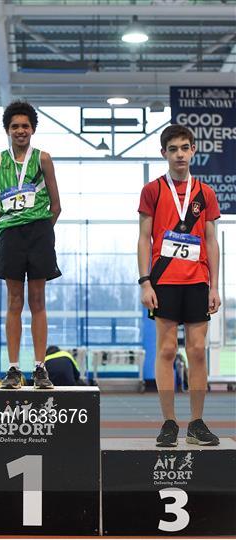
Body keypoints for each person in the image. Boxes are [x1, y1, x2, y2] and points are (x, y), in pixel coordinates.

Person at [137, 124, 221, 447]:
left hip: (197, 281)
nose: (179, 154)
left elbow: (211, 242)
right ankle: (169, 422)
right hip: (164, 281)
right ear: (164, 154)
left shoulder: (206, 194)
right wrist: (146, 282)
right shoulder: (153, 191)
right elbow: (144, 238)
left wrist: (215, 286)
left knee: (197, 351)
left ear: (193, 151)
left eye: (185, 148)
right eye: (173, 149)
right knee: (167, 350)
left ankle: (197, 423)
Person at [0, 101, 61, 389]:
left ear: (33, 129)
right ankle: (13, 369)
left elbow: (56, 206)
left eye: (25, 126)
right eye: (15, 126)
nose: (20, 130)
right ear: (7, 130)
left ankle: (40, 368)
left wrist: (39, 228)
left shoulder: (43, 159)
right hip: (10, 234)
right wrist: (10, 227)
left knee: (38, 301)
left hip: (40, 233)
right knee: (14, 301)